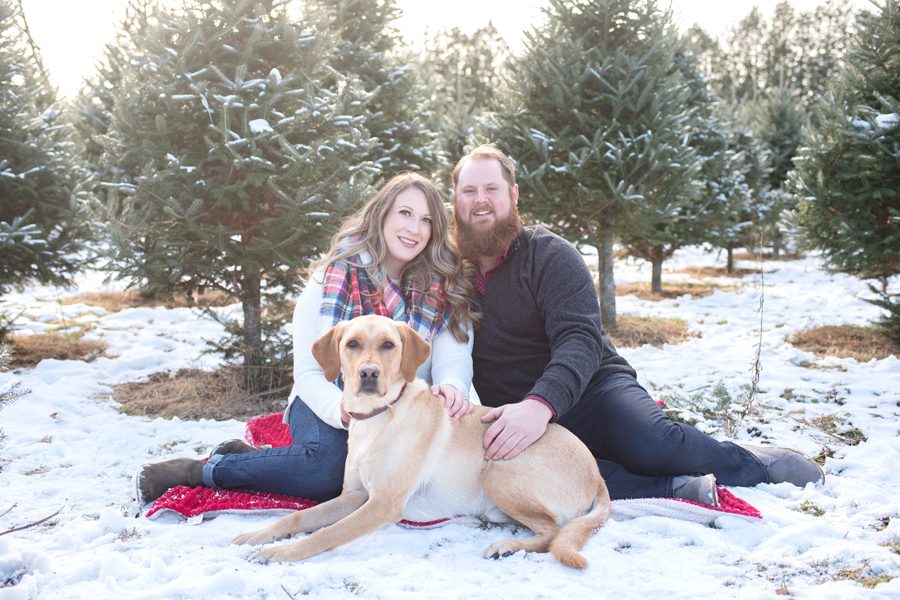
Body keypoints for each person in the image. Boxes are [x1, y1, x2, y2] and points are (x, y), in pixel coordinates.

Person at [451, 144, 823, 506]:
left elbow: (579, 339)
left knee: (651, 444)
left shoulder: (549, 255)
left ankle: (753, 464)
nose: (480, 199)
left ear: (514, 195)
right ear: (456, 201)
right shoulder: (447, 274)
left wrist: (540, 404)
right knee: (557, 476)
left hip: (594, 391)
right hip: (516, 416)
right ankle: (673, 488)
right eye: (469, 191)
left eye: (491, 189)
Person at [135, 172, 479, 505]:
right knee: (329, 473)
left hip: (401, 412)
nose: (414, 228)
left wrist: (452, 385)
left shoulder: (439, 286)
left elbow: (454, 355)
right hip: (327, 400)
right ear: (382, 214)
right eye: (405, 213)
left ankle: (258, 459)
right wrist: (342, 412)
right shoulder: (333, 278)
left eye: (426, 220)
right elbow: (310, 374)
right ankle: (207, 470)